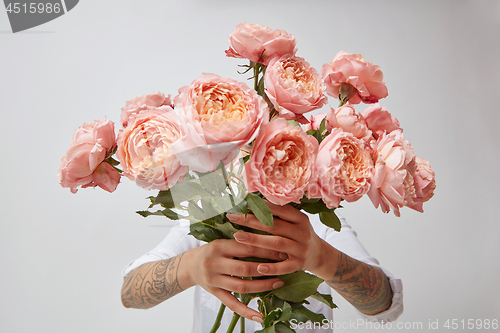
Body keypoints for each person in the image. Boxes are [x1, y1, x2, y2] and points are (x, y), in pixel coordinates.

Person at [121, 202, 403, 332]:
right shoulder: (207, 215)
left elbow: (384, 305)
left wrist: (321, 257)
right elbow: (130, 293)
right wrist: (190, 267)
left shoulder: (316, 224)